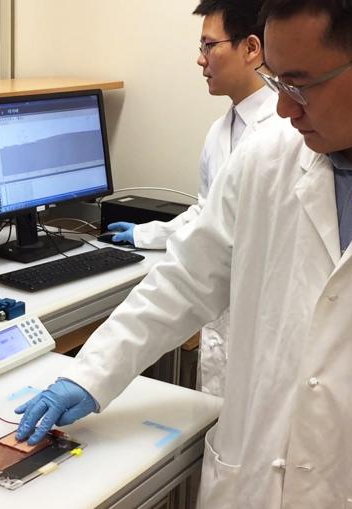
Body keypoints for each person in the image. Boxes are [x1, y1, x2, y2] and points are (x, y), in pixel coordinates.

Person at [15, 1, 352, 507]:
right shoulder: (266, 156)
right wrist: (90, 375)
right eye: (276, 81)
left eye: (300, 84)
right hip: (252, 486)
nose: (282, 109)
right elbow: (184, 281)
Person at [107, 0, 277, 396]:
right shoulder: (221, 131)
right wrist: (145, 234)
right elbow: (209, 216)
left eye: (208, 46)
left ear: (251, 49)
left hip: (260, 330)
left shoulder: (286, 132)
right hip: (221, 323)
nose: (200, 60)